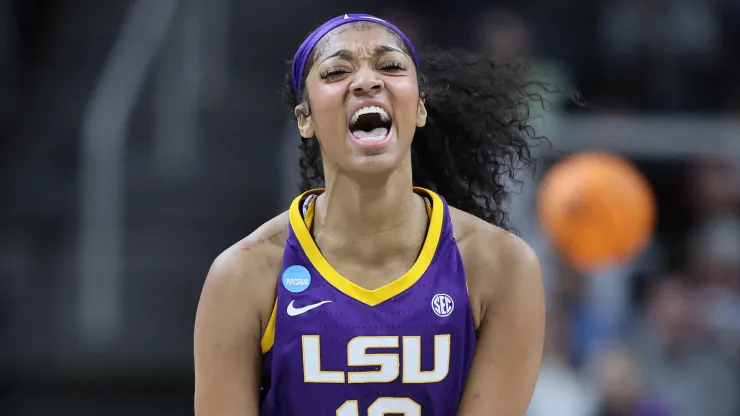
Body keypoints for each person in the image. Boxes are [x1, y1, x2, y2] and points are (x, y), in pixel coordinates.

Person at [194, 13, 546, 416]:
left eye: (390, 66)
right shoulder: (242, 276)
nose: (366, 81)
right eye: (337, 71)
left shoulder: (501, 266)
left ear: (420, 108)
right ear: (304, 118)